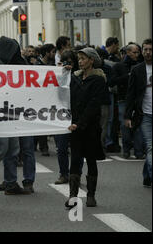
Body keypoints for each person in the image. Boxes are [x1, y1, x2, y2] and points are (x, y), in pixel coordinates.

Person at [0, 36, 32, 195]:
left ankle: (11, 183)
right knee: (2, 148)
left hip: (10, 110)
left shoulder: (4, 62)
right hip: (0, 112)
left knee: (13, 149)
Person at [66, 47, 106, 208]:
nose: (80, 61)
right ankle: (73, 196)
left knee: (91, 160)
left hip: (90, 127)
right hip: (74, 127)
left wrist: (80, 123)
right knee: (75, 160)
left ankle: (91, 195)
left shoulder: (98, 80)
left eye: (83, 58)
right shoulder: (75, 78)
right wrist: (64, 72)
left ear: (91, 60)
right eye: (79, 59)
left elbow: (93, 105)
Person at [125, 39, 152, 187]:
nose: (148, 52)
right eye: (145, 49)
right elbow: (131, 94)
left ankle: (147, 175)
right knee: (150, 146)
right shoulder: (137, 69)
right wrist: (128, 115)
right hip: (145, 115)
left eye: (150, 49)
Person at [54, 50, 83, 184]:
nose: (68, 65)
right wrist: (61, 74)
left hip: (76, 115)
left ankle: (76, 174)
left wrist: (71, 74)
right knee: (62, 147)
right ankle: (64, 173)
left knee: (77, 147)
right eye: (65, 62)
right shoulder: (57, 76)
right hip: (61, 116)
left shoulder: (80, 76)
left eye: (70, 62)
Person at [110, 44, 144, 159]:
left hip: (138, 99)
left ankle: (139, 151)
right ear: (128, 52)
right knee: (125, 125)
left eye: (138, 52)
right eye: (134, 52)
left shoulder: (140, 65)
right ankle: (126, 149)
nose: (137, 55)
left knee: (138, 124)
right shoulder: (119, 66)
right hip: (123, 99)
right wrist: (128, 76)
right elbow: (112, 82)